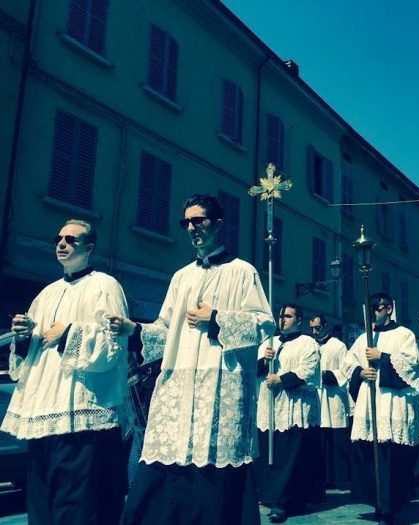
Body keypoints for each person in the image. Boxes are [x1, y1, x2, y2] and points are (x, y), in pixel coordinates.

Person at [111, 194, 275, 525]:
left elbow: (263, 323)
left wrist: (216, 318)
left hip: (220, 385)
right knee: (167, 467)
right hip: (180, 386)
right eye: (186, 222)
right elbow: (164, 330)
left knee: (214, 478)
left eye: (198, 220)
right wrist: (135, 329)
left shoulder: (243, 272)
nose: (191, 228)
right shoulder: (181, 277)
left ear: (217, 224)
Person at [1, 219, 131, 525]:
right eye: (58, 237)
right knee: (42, 507)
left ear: (89, 248)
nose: (62, 243)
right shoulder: (45, 294)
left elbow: (113, 348)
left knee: (77, 509)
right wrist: (22, 338)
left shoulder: (105, 286)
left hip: (82, 419)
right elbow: (29, 359)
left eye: (71, 239)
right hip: (43, 416)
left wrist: (69, 334)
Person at [343, 292, 419, 525]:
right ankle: (378, 502)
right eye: (369, 309)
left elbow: (412, 367)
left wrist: (384, 357)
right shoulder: (362, 339)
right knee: (370, 456)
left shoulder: (404, 335)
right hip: (370, 407)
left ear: (389, 309)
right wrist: (360, 372)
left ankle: (390, 505)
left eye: (377, 308)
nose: (373, 313)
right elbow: (348, 364)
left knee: (392, 459)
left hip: (393, 405)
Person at [255, 304, 323, 522]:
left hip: (294, 408)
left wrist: (281, 379)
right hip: (271, 408)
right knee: (271, 455)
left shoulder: (308, 343)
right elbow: (255, 371)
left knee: (289, 456)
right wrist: (265, 361)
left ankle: (282, 502)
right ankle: (271, 495)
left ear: (299, 320)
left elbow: (308, 371)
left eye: (287, 316)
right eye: (281, 316)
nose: (282, 320)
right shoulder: (270, 343)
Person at [309, 314, 352, 490]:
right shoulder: (309, 345)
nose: (314, 331)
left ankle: (339, 479)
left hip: (333, 397)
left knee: (336, 441)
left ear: (325, 326)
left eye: (317, 328)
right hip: (316, 399)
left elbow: (346, 371)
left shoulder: (338, 346)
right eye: (311, 328)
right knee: (318, 441)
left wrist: (325, 376)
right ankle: (321, 479)